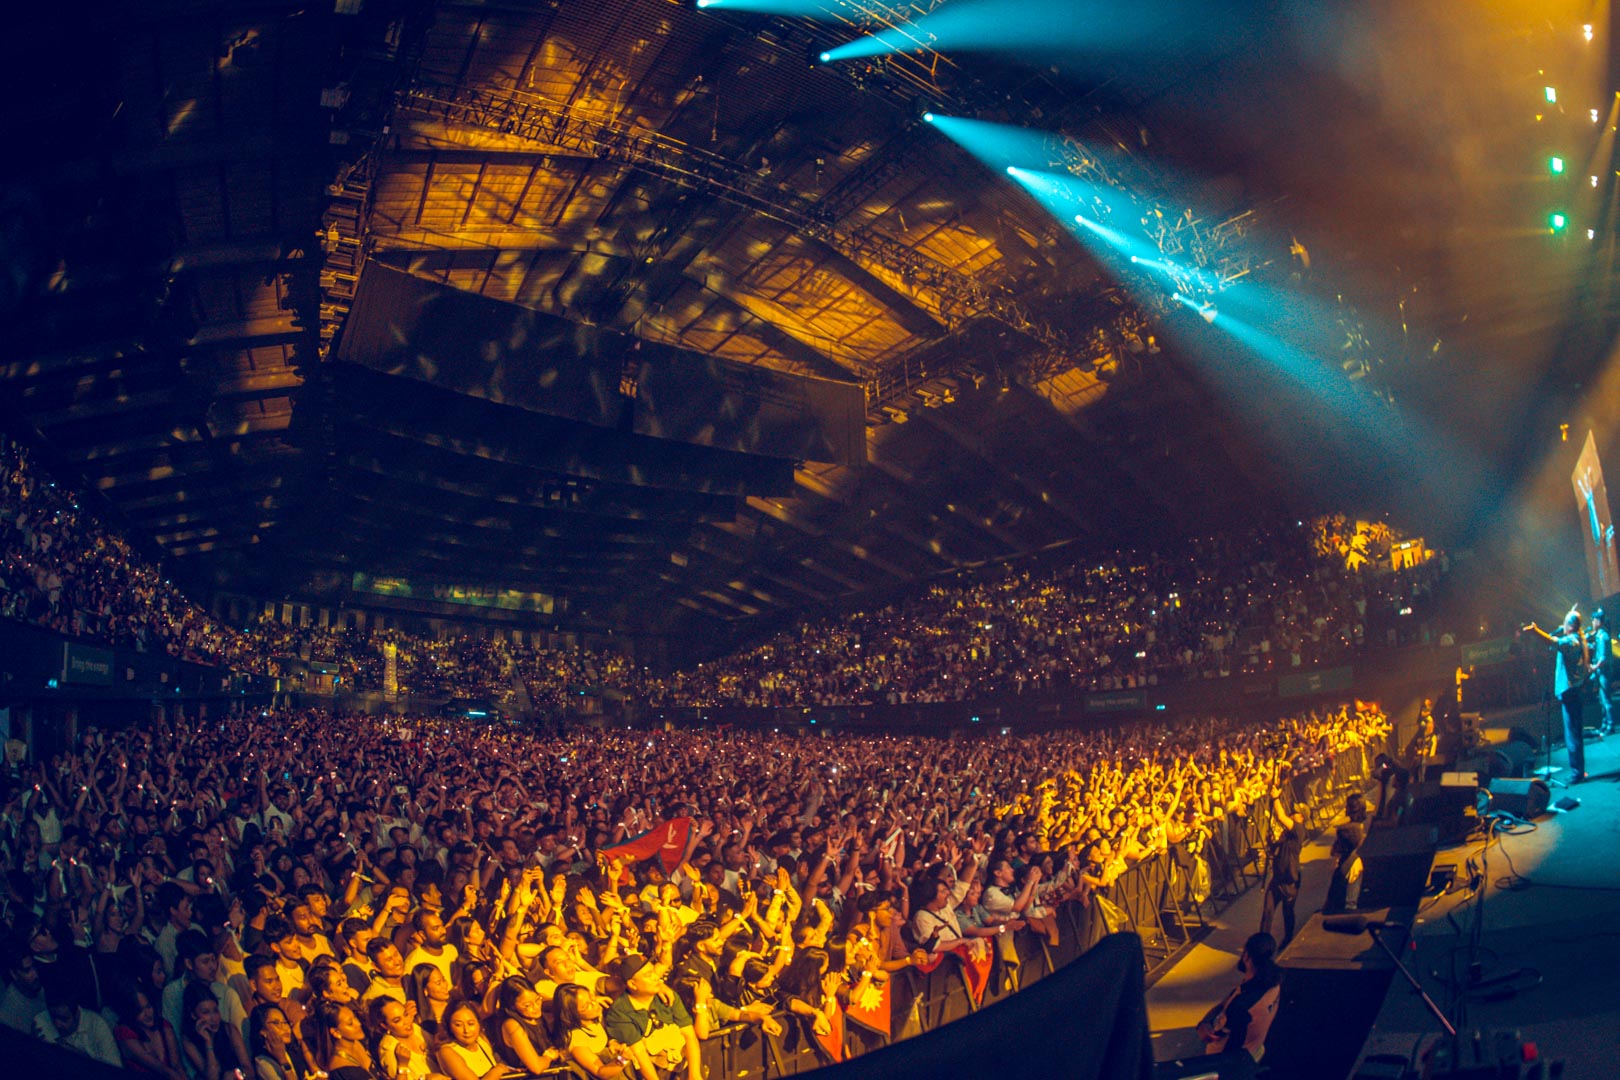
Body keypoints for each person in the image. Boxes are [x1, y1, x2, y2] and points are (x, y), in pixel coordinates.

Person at [1196, 932, 1281, 1062]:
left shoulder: (1241, 1005)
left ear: (1247, 956)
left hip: (1229, 1060)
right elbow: (1226, 1002)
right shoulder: (1273, 985)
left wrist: (1202, 1028)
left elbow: (1213, 1037)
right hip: (1255, 1049)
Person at [1525, 610, 1589, 781]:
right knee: (1575, 732)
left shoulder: (1571, 642)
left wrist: (1535, 631)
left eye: (1565, 622)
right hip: (1575, 691)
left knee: (1572, 734)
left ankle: (1577, 774)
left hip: (1570, 692)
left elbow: (1553, 641)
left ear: (1571, 625)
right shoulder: (1579, 639)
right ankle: (1579, 770)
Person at [555, 983, 634, 1080]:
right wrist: (623, 1059)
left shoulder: (594, 1018)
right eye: (586, 1005)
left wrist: (612, 1042)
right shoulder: (578, 1041)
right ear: (572, 1013)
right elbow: (600, 1072)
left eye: (592, 998)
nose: (594, 1004)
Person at [1258, 787, 1304, 947]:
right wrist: (1271, 844)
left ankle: (1288, 939)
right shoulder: (1285, 836)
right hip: (1277, 879)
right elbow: (1275, 852)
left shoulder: (1299, 831)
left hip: (1290, 880)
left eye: (1296, 814)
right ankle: (1263, 942)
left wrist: (1276, 798)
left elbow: (1281, 816)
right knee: (1267, 912)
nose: (1292, 815)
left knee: (1288, 912)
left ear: (1301, 817)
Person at [435, 999, 514, 1080]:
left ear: (478, 1023)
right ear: (450, 1027)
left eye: (471, 1024)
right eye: (458, 1025)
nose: (466, 1030)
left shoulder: (481, 1040)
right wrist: (497, 1071)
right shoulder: (447, 1051)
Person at [248, 1002, 320, 1080]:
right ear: (262, 1031)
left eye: (285, 1022)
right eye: (276, 1023)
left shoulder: (292, 1049)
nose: (284, 1027)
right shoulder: (263, 1062)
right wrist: (283, 1061)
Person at [1591, 608, 1614, 735]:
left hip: (1604, 671)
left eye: (1594, 620)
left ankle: (1610, 725)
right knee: (1602, 699)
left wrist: (1594, 667)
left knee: (1606, 698)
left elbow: (1603, 658)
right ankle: (1605, 724)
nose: (1593, 623)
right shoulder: (1599, 635)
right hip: (1601, 672)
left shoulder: (1602, 636)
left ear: (1598, 621)